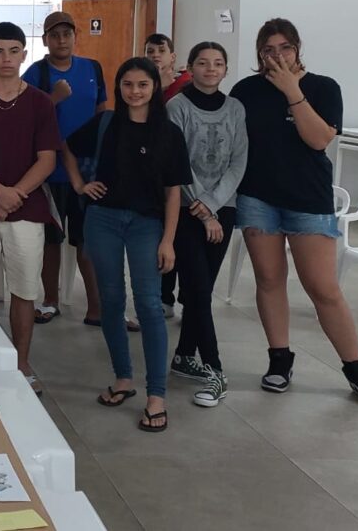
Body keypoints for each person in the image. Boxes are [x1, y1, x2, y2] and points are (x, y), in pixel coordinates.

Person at [231, 18, 358, 410]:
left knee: (323, 288)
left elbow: (318, 140)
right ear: (259, 53)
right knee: (269, 280)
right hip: (257, 198)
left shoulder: (323, 87)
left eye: (284, 47)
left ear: (297, 48)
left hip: (308, 201)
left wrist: (292, 91)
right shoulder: (246, 90)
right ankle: (279, 359)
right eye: (268, 49)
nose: (277, 55)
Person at [62, 58, 191, 433]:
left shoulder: (169, 133)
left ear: (155, 88)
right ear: (118, 87)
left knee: (149, 305)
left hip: (146, 224)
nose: (135, 91)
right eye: (128, 84)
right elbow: (66, 147)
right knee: (111, 301)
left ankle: (157, 395)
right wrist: (79, 184)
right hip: (103, 219)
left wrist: (168, 240)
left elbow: (173, 193)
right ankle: (123, 378)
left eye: (143, 85)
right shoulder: (106, 123)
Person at [0, 23, 61, 394]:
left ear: (24, 54)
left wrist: (13, 195)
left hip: (26, 209)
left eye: (14, 51)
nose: (6, 58)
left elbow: (47, 159)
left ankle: (21, 362)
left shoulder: (40, 102)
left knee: (24, 289)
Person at [166, 42, 248, 408]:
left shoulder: (235, 109)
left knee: (202, 288)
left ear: (225, 69)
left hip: (223, 208)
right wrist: (202, 210)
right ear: (190, 67)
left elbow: (238, 161)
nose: (210, 69)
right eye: (202, 62)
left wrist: (214, 207)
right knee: (198, 290)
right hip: (185, 209)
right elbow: (176, 161)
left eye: (218, 63)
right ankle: (215, 370)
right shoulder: (177, 107)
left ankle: (185, 355)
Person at [23, 11, 106, 326]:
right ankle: (51, 300)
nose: (61, 40)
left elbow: (101, 112)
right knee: (51, 239)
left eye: (66, 34)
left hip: (88, 171)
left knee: (88, 240)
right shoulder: (36, 73)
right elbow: (25, 116)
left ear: (75, 36)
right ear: (45, 40)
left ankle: (96, 307)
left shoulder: (92, 68)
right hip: (50, 170)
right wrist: (53, 98)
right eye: (54, 35)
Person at [146, 31, 193, 316]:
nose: (155, 56)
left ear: (172, 56)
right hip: (154, 173)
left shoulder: (185, 85)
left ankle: (188, 299)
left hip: (185, 172)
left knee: (183, 239)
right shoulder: (144, 86)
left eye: (160, 51)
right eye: (150, 51)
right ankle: (164, 298)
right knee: (160, 237)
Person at [146, 33, 193, 103]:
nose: (155, 55)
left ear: (173, 57)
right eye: (150, 52)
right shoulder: (140, 83)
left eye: (162, 50)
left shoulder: (186, 81)